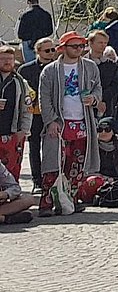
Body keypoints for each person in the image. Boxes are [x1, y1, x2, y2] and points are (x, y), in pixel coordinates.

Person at [37, 32, 103, 213]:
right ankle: (47, 203)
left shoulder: (90, 67)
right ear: (63, 48)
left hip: (82, 122)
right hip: (60, 123)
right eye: (74, 46)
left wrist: (94, 99)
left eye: (81, 46)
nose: (79, 50)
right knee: (53, 164)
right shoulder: (50, 70)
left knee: (76, 165)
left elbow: (98, 87)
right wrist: (50, 121)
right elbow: (45, 98)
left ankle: (72, 199)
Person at [19, 39, 54, 185]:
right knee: (34, 147)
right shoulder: (26, 70)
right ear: (37, 51)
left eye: (53, 50)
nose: (51, 53)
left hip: (53, 113)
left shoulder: (58, 68)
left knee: (52, 147)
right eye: (47, 50)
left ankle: (51, 178)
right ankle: (37, 180)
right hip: (34, 113)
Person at [0, 46, 31, 182]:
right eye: (3, 59)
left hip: (12, 133)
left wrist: (23, 131)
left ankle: (11, 199)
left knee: (12, 170)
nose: (7, 62)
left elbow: (27, 108)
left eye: (10, 59)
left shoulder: (21, 83)